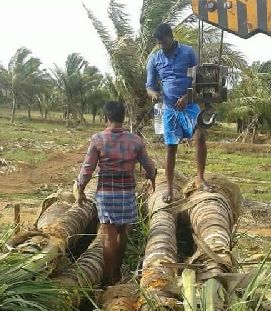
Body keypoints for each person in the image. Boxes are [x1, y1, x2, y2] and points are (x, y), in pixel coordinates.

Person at [76, 100, 156, 285]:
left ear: (106, 118)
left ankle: (109, 279)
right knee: (122, 235)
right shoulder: (135, 140)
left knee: (108, 237)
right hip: (127, 194)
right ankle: (117, 272)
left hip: (106, 194)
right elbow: (149, 166)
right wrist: (152, 181)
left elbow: (87, 168)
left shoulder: (98, 140)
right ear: (123, 117)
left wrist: (80, 189)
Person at [146, 23, 208, 202]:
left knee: (200, 136)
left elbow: (198, 79)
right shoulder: (155, 59)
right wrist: (154, 94)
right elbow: (149, 86)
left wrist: (188, 97)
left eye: (164, 42)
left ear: (171, 37)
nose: (161, 46)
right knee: (171, 147)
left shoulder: (188, 52)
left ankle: (200, 178)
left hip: (189, 105)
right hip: (169, 108)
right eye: (158, 43)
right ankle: (170, 189)